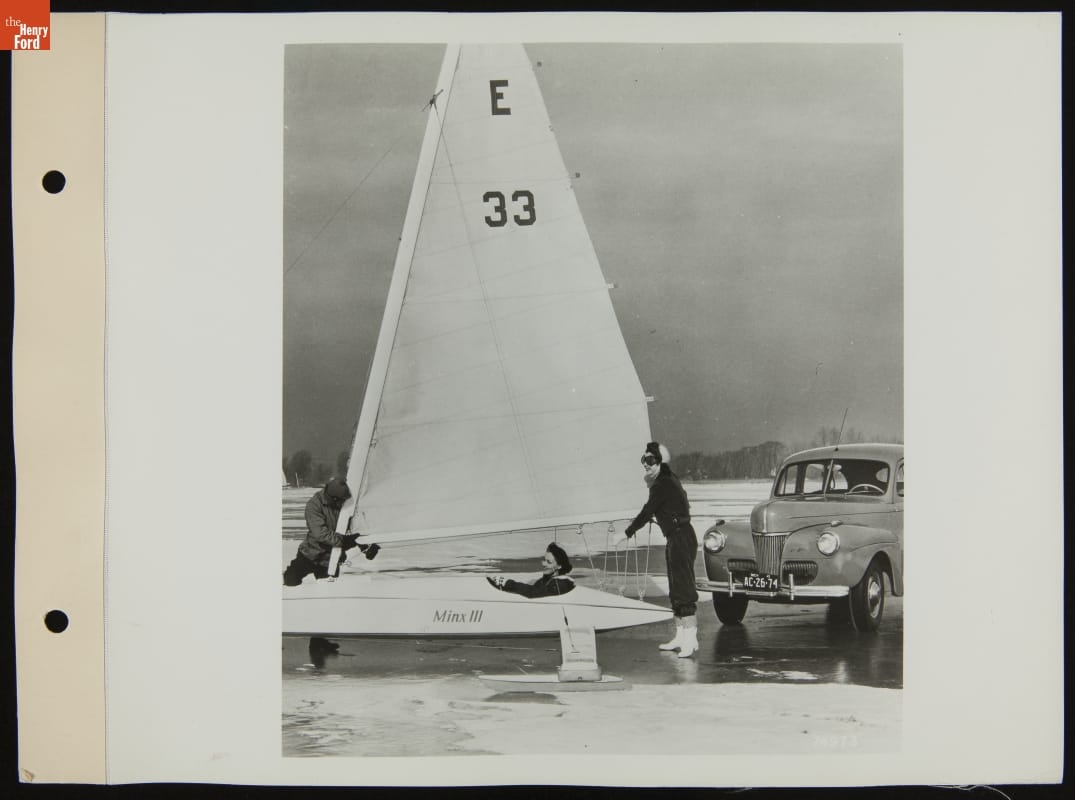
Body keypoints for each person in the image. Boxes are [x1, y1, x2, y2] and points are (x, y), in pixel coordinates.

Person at [624, 441, 700, 657]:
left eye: (649, 460)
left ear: (659, 461)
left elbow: (647, 511)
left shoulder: (662, 484)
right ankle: (680, 635)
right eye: (643, 460)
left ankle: (691, 639)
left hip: (681, 538)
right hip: (677, 537)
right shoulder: (668, 479)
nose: (645, 464)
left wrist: (627, 532)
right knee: (675, 589)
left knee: (684, 590)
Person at [282, 477, 379, 586]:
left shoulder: (346, 505)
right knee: (289, 580)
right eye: (341, 500)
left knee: (328, 591)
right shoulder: (314, 504)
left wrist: (365, 544)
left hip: (330, 559)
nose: (344, 503)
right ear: (334, 499)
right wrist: (344, 541)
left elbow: (355, 527)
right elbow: (320, 534)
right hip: (309, 554)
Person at [486, 542, 575, 598]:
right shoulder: (544, 581)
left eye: (549, 562)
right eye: (544, 560)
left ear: (559, 566)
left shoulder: (561, 584)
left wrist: (508, 583)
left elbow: (532, 593)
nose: (543, 563)